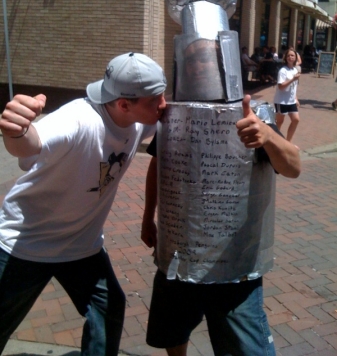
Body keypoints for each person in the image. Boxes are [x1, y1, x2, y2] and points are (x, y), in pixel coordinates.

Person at [0, 52, 167, 356]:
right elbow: (31, 143)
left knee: (109, 307)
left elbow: (177, 118)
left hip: (82, 246)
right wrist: (17, 130)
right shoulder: (79, 119)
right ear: (124, 104)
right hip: (25, 243)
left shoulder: (139, 121)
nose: (163, 104)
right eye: (155, 99)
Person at [141, 95, 301, 356]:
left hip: (235, 266)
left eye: (208, 57)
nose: (200, 65)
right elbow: (159, 163)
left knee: (247, 348)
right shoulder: (176, 113)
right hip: (179, 255)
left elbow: (293, 167)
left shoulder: (253, 115)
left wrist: (268, 137)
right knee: (173, 329)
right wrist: (148, 217)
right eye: (194, 57)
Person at [274, 48, 301, 142]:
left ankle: (288, 142)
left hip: (291, 101)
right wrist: (293, 79)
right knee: (279, 122)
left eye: (292, 55)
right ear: (285, 58)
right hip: (281, 100)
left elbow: (294, 87)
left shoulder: (294, 70)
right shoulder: (283, 71)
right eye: (288, 55)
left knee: (296, 120)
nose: (290, 57)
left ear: (295, 57)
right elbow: (281, 86)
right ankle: (275, 141)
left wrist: (296, 98)